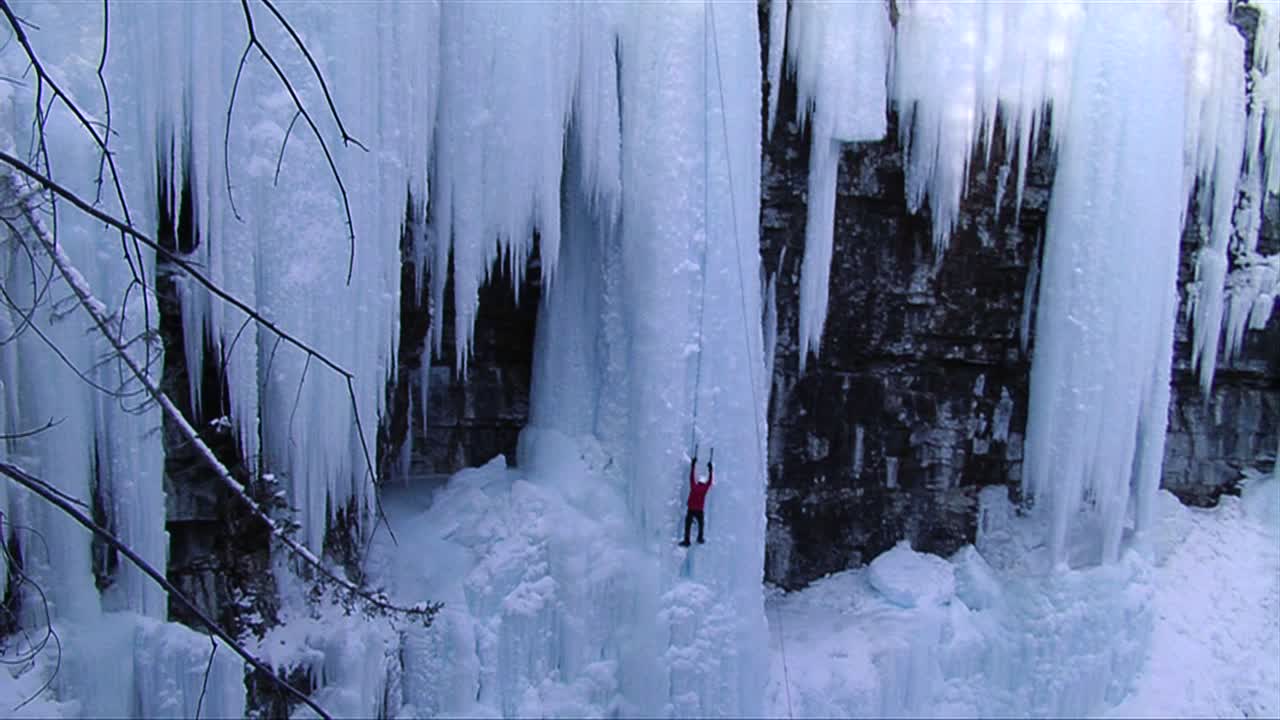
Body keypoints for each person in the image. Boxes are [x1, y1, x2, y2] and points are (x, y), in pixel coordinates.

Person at [680, 451, 713, 546]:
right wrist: (711, 470)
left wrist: (693, 465)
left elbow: (691, 477)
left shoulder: (694, 486)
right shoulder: (704, 489)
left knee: (688, 525)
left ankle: (687, 540)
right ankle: (700, 538)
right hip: (699, 510)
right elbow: (710, 482)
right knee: (701, 524)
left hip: (691, 509)